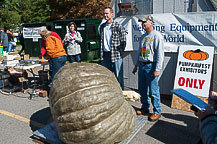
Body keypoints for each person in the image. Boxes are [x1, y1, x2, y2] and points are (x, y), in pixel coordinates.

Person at [132, 15, 164, 121]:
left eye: (145, 22)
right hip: (142, 66)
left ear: (151, 22)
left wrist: (157, 69)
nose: (143, 24)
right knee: (142, 89)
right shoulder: (143, 37)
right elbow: (139, 53)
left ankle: (157, 111)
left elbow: (160, 54)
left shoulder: (157, 36)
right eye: (142, 22)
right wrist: (136, 65)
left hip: (151, 66)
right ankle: (145, 107)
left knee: (154, 90)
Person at [98, 7, 126, 90]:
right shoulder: (102, 27)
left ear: (112, 14)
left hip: (116, 55)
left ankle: (121, 95)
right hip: (105, 55)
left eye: (107, 13)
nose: (105, 15)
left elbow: (123, 41)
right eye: (104, 13)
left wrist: (119, 51)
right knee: (107, 77)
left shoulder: (118, 26)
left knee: (118, 77)